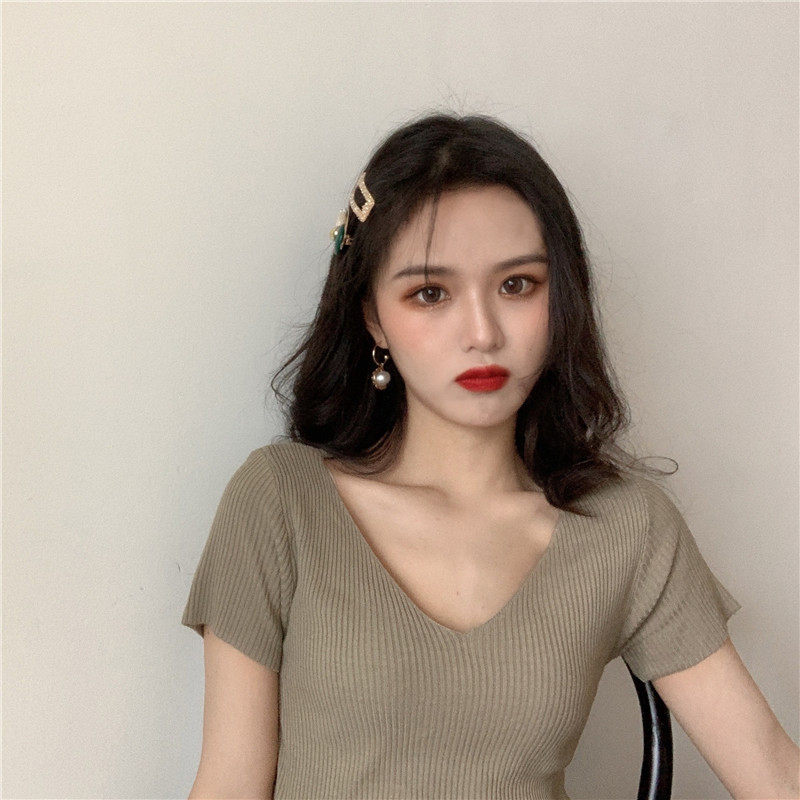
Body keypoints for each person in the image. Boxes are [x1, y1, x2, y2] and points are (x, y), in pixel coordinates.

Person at [181, 113, 799, 799]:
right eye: (430, 293)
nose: (482, 332)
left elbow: (771, 769)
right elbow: (231, 781)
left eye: (517, 285)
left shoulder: (627, 528)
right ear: (372, 317)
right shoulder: (281, 502)